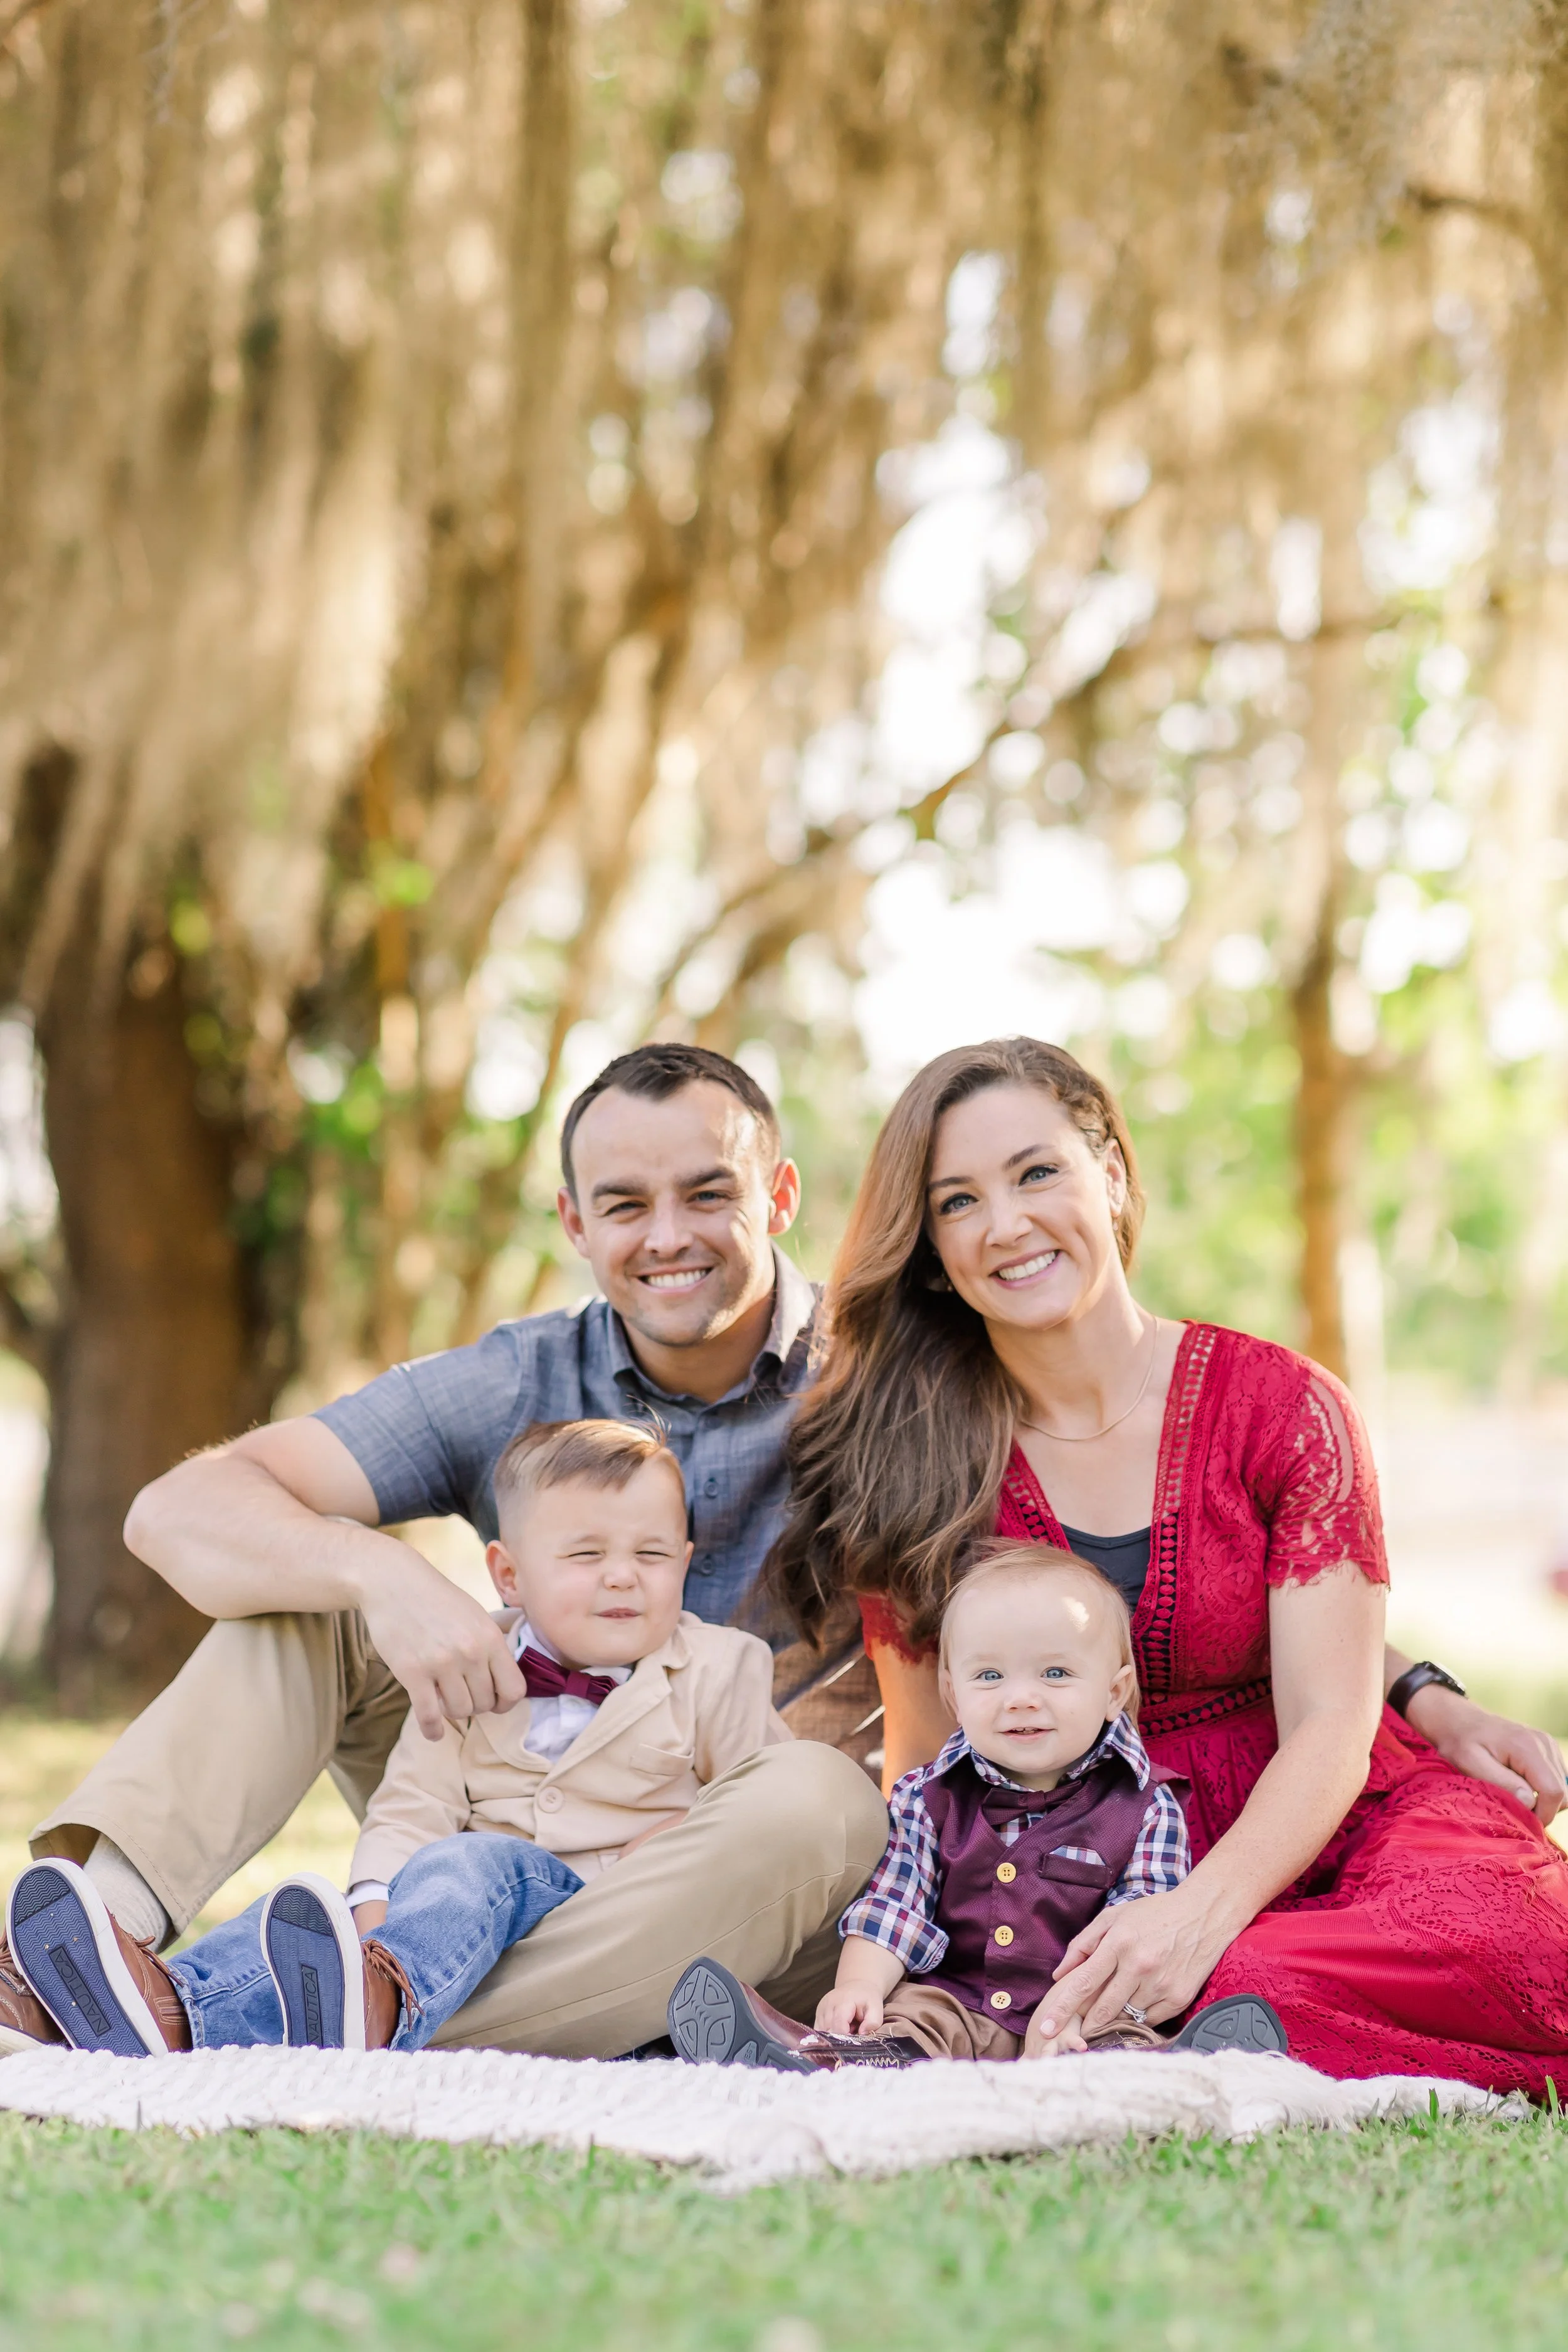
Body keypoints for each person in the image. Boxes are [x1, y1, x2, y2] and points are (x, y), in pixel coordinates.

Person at [7, 1044, 886, 2059]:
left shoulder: (880, 1380)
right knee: (317, 1586)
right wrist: (380, 1573)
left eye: (707, 1193)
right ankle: (80, 1959)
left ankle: (225, 2016)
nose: (669, 1236)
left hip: (750, 1869)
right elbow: (175, 1511)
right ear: (575, 1223)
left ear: (777, 1196)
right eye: (626, 1204)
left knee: (823, 1794)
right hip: (505, 1835)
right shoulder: (517, 1378)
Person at [764, 1036, 1568, 2097]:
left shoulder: (1285, 1407)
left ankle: (1159, 2015)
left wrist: (1196, 1917)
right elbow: (928, 1756)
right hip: (1063, 1859)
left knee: (1516, 1944)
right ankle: (1066, 2024)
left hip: (1324, 1816)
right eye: (956, 1202)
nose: (1005, 1225)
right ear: (928, 1250)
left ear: (1112, 1172)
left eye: (1036, 1171)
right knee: (1061, 1963)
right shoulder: (907, 1460)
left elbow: (1332, 1717)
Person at [11, 1420, 788, 2057]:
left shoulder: (719, 1669)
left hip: (620, 1920)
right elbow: (411, 1806)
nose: (623, 1577)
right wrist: (372, 1909)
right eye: (587, 1556)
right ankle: (156, 2005)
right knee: (294, 1919)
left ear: (685, 1563)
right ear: (508, 1576)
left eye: (651, 1556)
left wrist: (686, 1836)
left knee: (478, 1859)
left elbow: (767, 1804)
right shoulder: (461, 1661)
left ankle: (379, 2001)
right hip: (460, 1925)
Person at [665, 1545, 1283, 2072]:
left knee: (1120, 2041)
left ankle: (1186, 2070)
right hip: (956, 2002)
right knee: (906, 2026)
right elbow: (894, 1907)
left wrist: (1065, 2016)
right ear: (952, 1694)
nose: (1019, 1699)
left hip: (1080, 2012)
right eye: (989, 1677)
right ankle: (821, 2060)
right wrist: (857, 1986)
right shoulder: (925, 1798)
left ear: (1112, 1694)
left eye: (1055, 1673)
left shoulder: (1146, 1807)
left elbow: (1133, 1929)